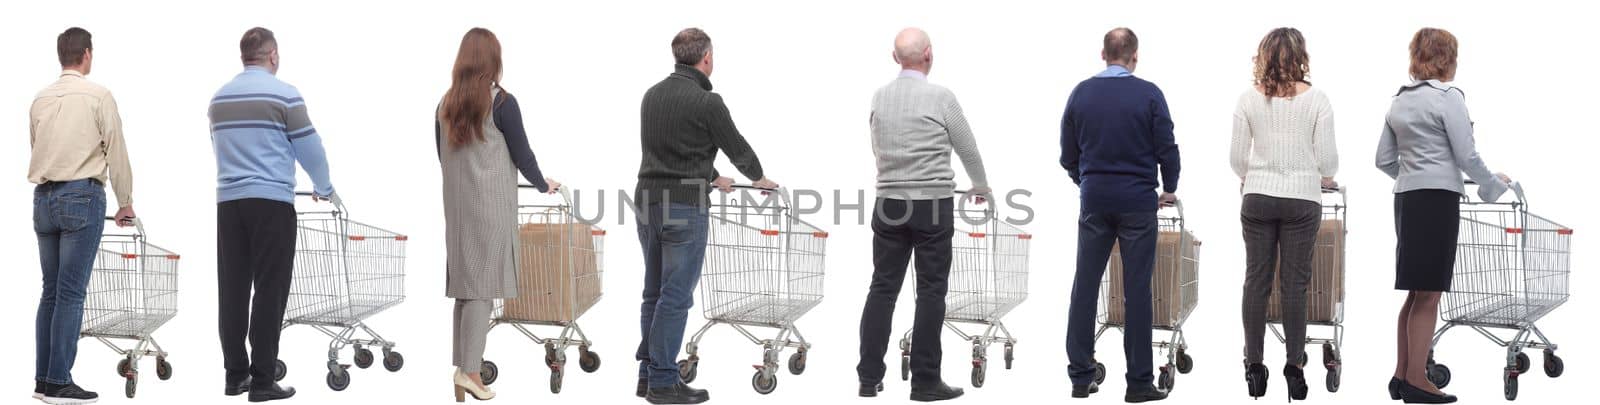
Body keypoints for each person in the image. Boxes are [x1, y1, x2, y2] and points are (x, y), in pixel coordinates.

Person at [633, 27, 777, 405]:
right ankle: (664, 381)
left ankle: (647, 374)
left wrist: (713, 177)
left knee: (654, 292)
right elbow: (736, 147)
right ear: (706, 58)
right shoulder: (707, 102)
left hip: (647, 202)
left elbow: (670, 148)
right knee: (676, 297)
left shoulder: (652, 95)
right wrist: (758, 177)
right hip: (683, 205)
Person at [1377, 28, 1509, 405]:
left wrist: (1415, 173)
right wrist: (1491, 185)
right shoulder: (1448, 98)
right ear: (1447, 58)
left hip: (1406, 199)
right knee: (1430, 293)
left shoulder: (1398, 102)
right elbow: (1467, 156)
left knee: (1416, 291)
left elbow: (1383, 160)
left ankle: (1402, 375)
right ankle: (1418, 381)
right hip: (1437, 201)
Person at [856, 27, 987, 402]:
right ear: (929, 54)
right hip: (932, 205)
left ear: (895, 57)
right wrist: (981, 186)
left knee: (882, 288)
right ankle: (925, 381)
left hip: (889, 203)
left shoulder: (880, 97)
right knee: (930, 292)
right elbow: (968, 149)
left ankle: (868, 377)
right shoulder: (941, 97)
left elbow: (877, 146)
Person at [208, 27, 337, 402]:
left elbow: (218, 146)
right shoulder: (285, 95)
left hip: (229, 203)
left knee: (232, 289)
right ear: (273, 55)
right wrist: (324, 187)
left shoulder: (218, 99)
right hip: (271, 203)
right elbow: (311, 150)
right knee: (269, 289)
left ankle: (235, 376)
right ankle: (263, 380)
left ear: (244, 56)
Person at [435, 27, 561, 403]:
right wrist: (543, 184)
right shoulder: (502, 102)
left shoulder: (443, 103)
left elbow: (441, 156)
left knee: (464, 288)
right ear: (494, 61)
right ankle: (469, 371)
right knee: (482, 290)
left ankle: (463, 366)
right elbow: (523, 156)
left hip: (456, 209)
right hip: (488, 208)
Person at [1060, 27, 1179, 403]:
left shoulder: (1081, 93)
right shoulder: (1149, 94)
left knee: (1085, 286)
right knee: (1137, 292)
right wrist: (1169, 187)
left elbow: (1067, 152)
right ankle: (1139, 384)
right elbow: (1167, 148)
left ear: (1103, 54)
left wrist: (1085, 180)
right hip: (1138, 203)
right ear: (1135, 56)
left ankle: (1081, 376)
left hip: (1095, 200)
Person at [29, 27, 137, 405]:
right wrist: (126, 201)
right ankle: (59, 381)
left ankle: (44, 379)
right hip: (81, 197)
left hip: (43, 199)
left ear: (62, 56)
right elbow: (116, 149)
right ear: (87, 54)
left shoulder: (40, 98)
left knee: (51, 293)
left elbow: (36, 147)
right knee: (71, 294)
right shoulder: (98, 95)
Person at [1229, 27, 1338, 401]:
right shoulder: (1318, 99)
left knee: (1255, 281)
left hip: (1257, 198)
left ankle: (1254, 367)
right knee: (1294, 285)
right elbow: (1328, 161)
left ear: (1264, 56)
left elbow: (1236, 159)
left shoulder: (1247, 99)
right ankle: (1294, 367)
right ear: (1300, 56)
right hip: (1302, 201)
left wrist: (1253, 174)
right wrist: (1321, 175)